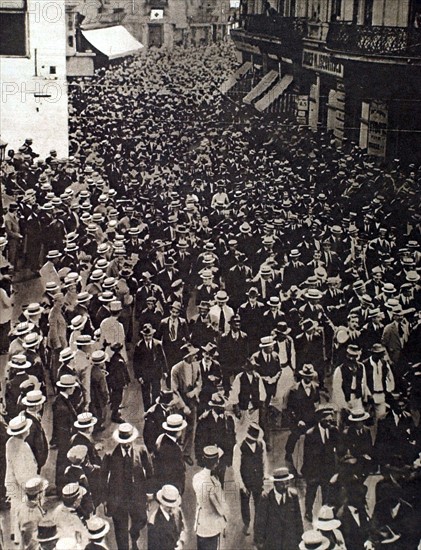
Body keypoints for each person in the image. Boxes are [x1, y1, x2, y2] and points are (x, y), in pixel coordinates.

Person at [103, 423, 153, 550]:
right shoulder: (110, 455)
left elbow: (150, 471)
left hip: (137, 496)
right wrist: (105, 499)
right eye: (124, 441)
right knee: (121, 531)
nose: (126, 444)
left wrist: (149, 492)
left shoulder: (141, 451)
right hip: (118, 499)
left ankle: (134, 536)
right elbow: (102, 477)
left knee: (141, 520)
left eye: (129, 441)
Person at [301, 405, 339, 522]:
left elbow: (338, 448)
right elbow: (306, 456)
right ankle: (308, 511)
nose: (329, 422)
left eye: (330, 419)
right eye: (326, 419)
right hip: (314, 469)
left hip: (328, 469)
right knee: (311, 492)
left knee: (326, 492)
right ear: (320, 419)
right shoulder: (310, 434)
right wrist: (307, 473)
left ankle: (324, 513)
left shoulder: (333, 431)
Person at [6, 415, 38, 545]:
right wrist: (29, 488)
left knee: (15, 508)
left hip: (11, 483)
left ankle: (15, 533)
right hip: (21, 486)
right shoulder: (22, 447)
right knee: (23, 511)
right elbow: (21, 473)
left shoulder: (10, 442)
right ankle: (22, 537)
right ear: (23, 432)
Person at [254, 467, 303, 550]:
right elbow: (260, 523)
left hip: (290, 543)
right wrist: (260, 543)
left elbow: (298, 520)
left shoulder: (293, 496)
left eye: (287, 483)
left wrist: (300, 540)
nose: (285, 487)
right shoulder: (266, 499)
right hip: (273, 544)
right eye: (281, 484)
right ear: (275, 483)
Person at [233, 423, 268, 535]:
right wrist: (242, 486)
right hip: (246, 481)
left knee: (259, 504)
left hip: (258, 480)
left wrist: (265, 475)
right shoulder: (239, 447)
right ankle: (246, 523)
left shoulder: (261, 444)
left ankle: (257, 527)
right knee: (245, 503)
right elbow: (236, 468)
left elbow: (264, 461)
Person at [170, 345, 202, 464]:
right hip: (180, 401)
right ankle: (176, 452)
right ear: (187, 356)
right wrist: (183, 407)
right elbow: (174, 390)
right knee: (177, 428)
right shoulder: (176, 369)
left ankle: (186, 453)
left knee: (191, 428)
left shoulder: (196, 365)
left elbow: (199, 382)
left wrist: (194, 392)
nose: (195, 356)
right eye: (193, 355)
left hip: (192, 400)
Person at [192, 445, 227, 550]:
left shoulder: (196, 477)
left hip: (200, 523)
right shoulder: (214, 483)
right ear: (216, 463)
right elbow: (221, 509)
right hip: (212, 527)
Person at [51, 374, 79, 493]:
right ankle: (61, 486)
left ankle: (62, 484)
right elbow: (63, 428)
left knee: (63, 460)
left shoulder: (61, 400)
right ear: (67, 388)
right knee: (63, 460)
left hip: (64, 437)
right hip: (65, 439)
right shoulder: (62, 407)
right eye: (72, 387)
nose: (73, 389)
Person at [133, 323, 168, 412]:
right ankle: (147, 412)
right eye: (146, 336)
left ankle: (155, 411)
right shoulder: (139, 346)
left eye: (149, 336)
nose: (148, 338)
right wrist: (139, 376)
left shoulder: (158, 344)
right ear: (143, 335)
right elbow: (136, 363)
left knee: (156, 392)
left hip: (156, 373)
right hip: (145, 374)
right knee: (145, 394)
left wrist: (165, 371)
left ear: (152, 334)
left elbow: (162, 358)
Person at [154, 414, 187, 495]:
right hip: (171, 487)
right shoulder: (173, 449)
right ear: (178, 432)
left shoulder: (161, 437)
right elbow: (173, 473)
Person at [147, 485, 186, 550]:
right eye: (168, 506)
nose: (172, 508)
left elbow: (182, 528)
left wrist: (181, 542)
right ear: (162, 503)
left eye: (173, 505)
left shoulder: (177, 511)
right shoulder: (153, 522)